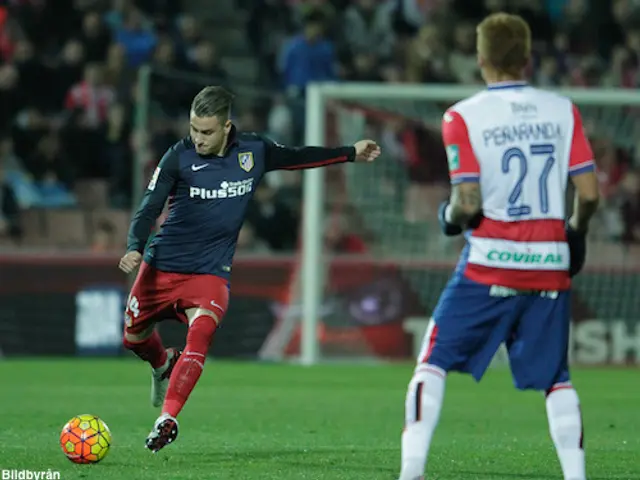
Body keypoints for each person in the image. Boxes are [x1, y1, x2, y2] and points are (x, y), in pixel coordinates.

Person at [118, 85, 381, 453]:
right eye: (194, 129)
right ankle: (162, 364)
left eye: (206, 131)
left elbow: (297, 157)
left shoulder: (253, 151)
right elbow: (149, 207)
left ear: (227, 127)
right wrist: (134, 245)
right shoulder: (179, 156)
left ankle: (167, 418)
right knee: (133, 338)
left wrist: (350, 153)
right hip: (161, 267)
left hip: (210, 273)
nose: (197, 138)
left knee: (201, 336)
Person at [398, 13, 599, 480]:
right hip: (549, 263)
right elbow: (589, 195)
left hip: (489, 263)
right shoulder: (562, 110)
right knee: (557, 379)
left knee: (432, 362)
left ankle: (411, 473)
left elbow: (466, 203)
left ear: (480, 58)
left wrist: (448, 218)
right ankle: (575, 475)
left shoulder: (462, 116)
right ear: (529, 57)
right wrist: (576, 232)